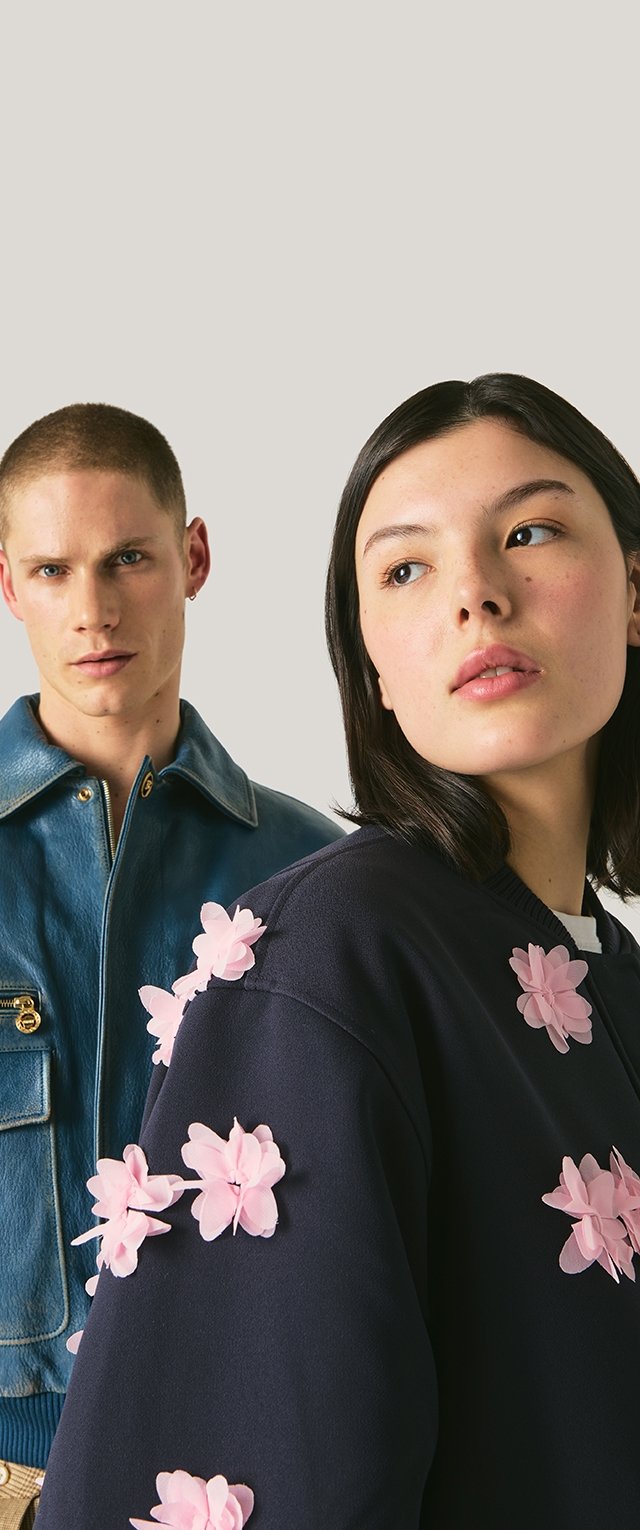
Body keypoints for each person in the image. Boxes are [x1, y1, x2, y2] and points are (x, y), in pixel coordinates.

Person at [37, 375, 640, 1530]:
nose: (476, 594)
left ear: (631, 593)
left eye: (529, 531)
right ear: (371, 664)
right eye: (405, 567)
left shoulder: (606, 968)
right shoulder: (334, 956)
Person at [0, 402, 343, 1527]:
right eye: (53, 569)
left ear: (192, 558)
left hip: (231, 1469)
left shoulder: (316, 870)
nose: (93, 610)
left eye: (129, 559)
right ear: (9, 585)